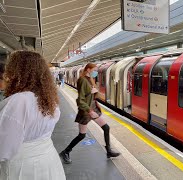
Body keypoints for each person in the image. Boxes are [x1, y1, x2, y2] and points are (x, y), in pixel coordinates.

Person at [0, 51, 65, 179]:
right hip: (48, 160)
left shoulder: (19, 101)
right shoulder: (49, 99)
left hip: (23, 166)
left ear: (18, 71)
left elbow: (4, 146)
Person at [60, 63, 120, 164]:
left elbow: (93, 96)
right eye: (95, 70)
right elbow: (80, 100)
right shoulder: (82, 80)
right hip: (86, 111)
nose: (96, 72)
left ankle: (109, 151)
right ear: (88, 69)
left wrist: (95, 92)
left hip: (93, 108)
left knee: (106, 127)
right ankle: (65, 152)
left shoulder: (90, 80)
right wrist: (90, 111)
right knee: (81, 135)